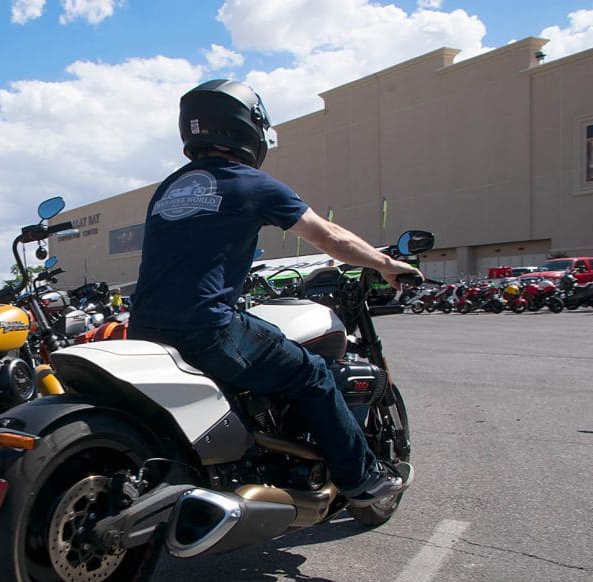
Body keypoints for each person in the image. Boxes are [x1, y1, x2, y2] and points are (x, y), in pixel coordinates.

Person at [128, 79, 419, 507]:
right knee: (313, 375)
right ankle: (361, 480)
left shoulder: (170, 189)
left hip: (146, 329)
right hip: (207, 327)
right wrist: (386, 264)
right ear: (248, 127)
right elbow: (331, 238)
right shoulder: (252, 184)